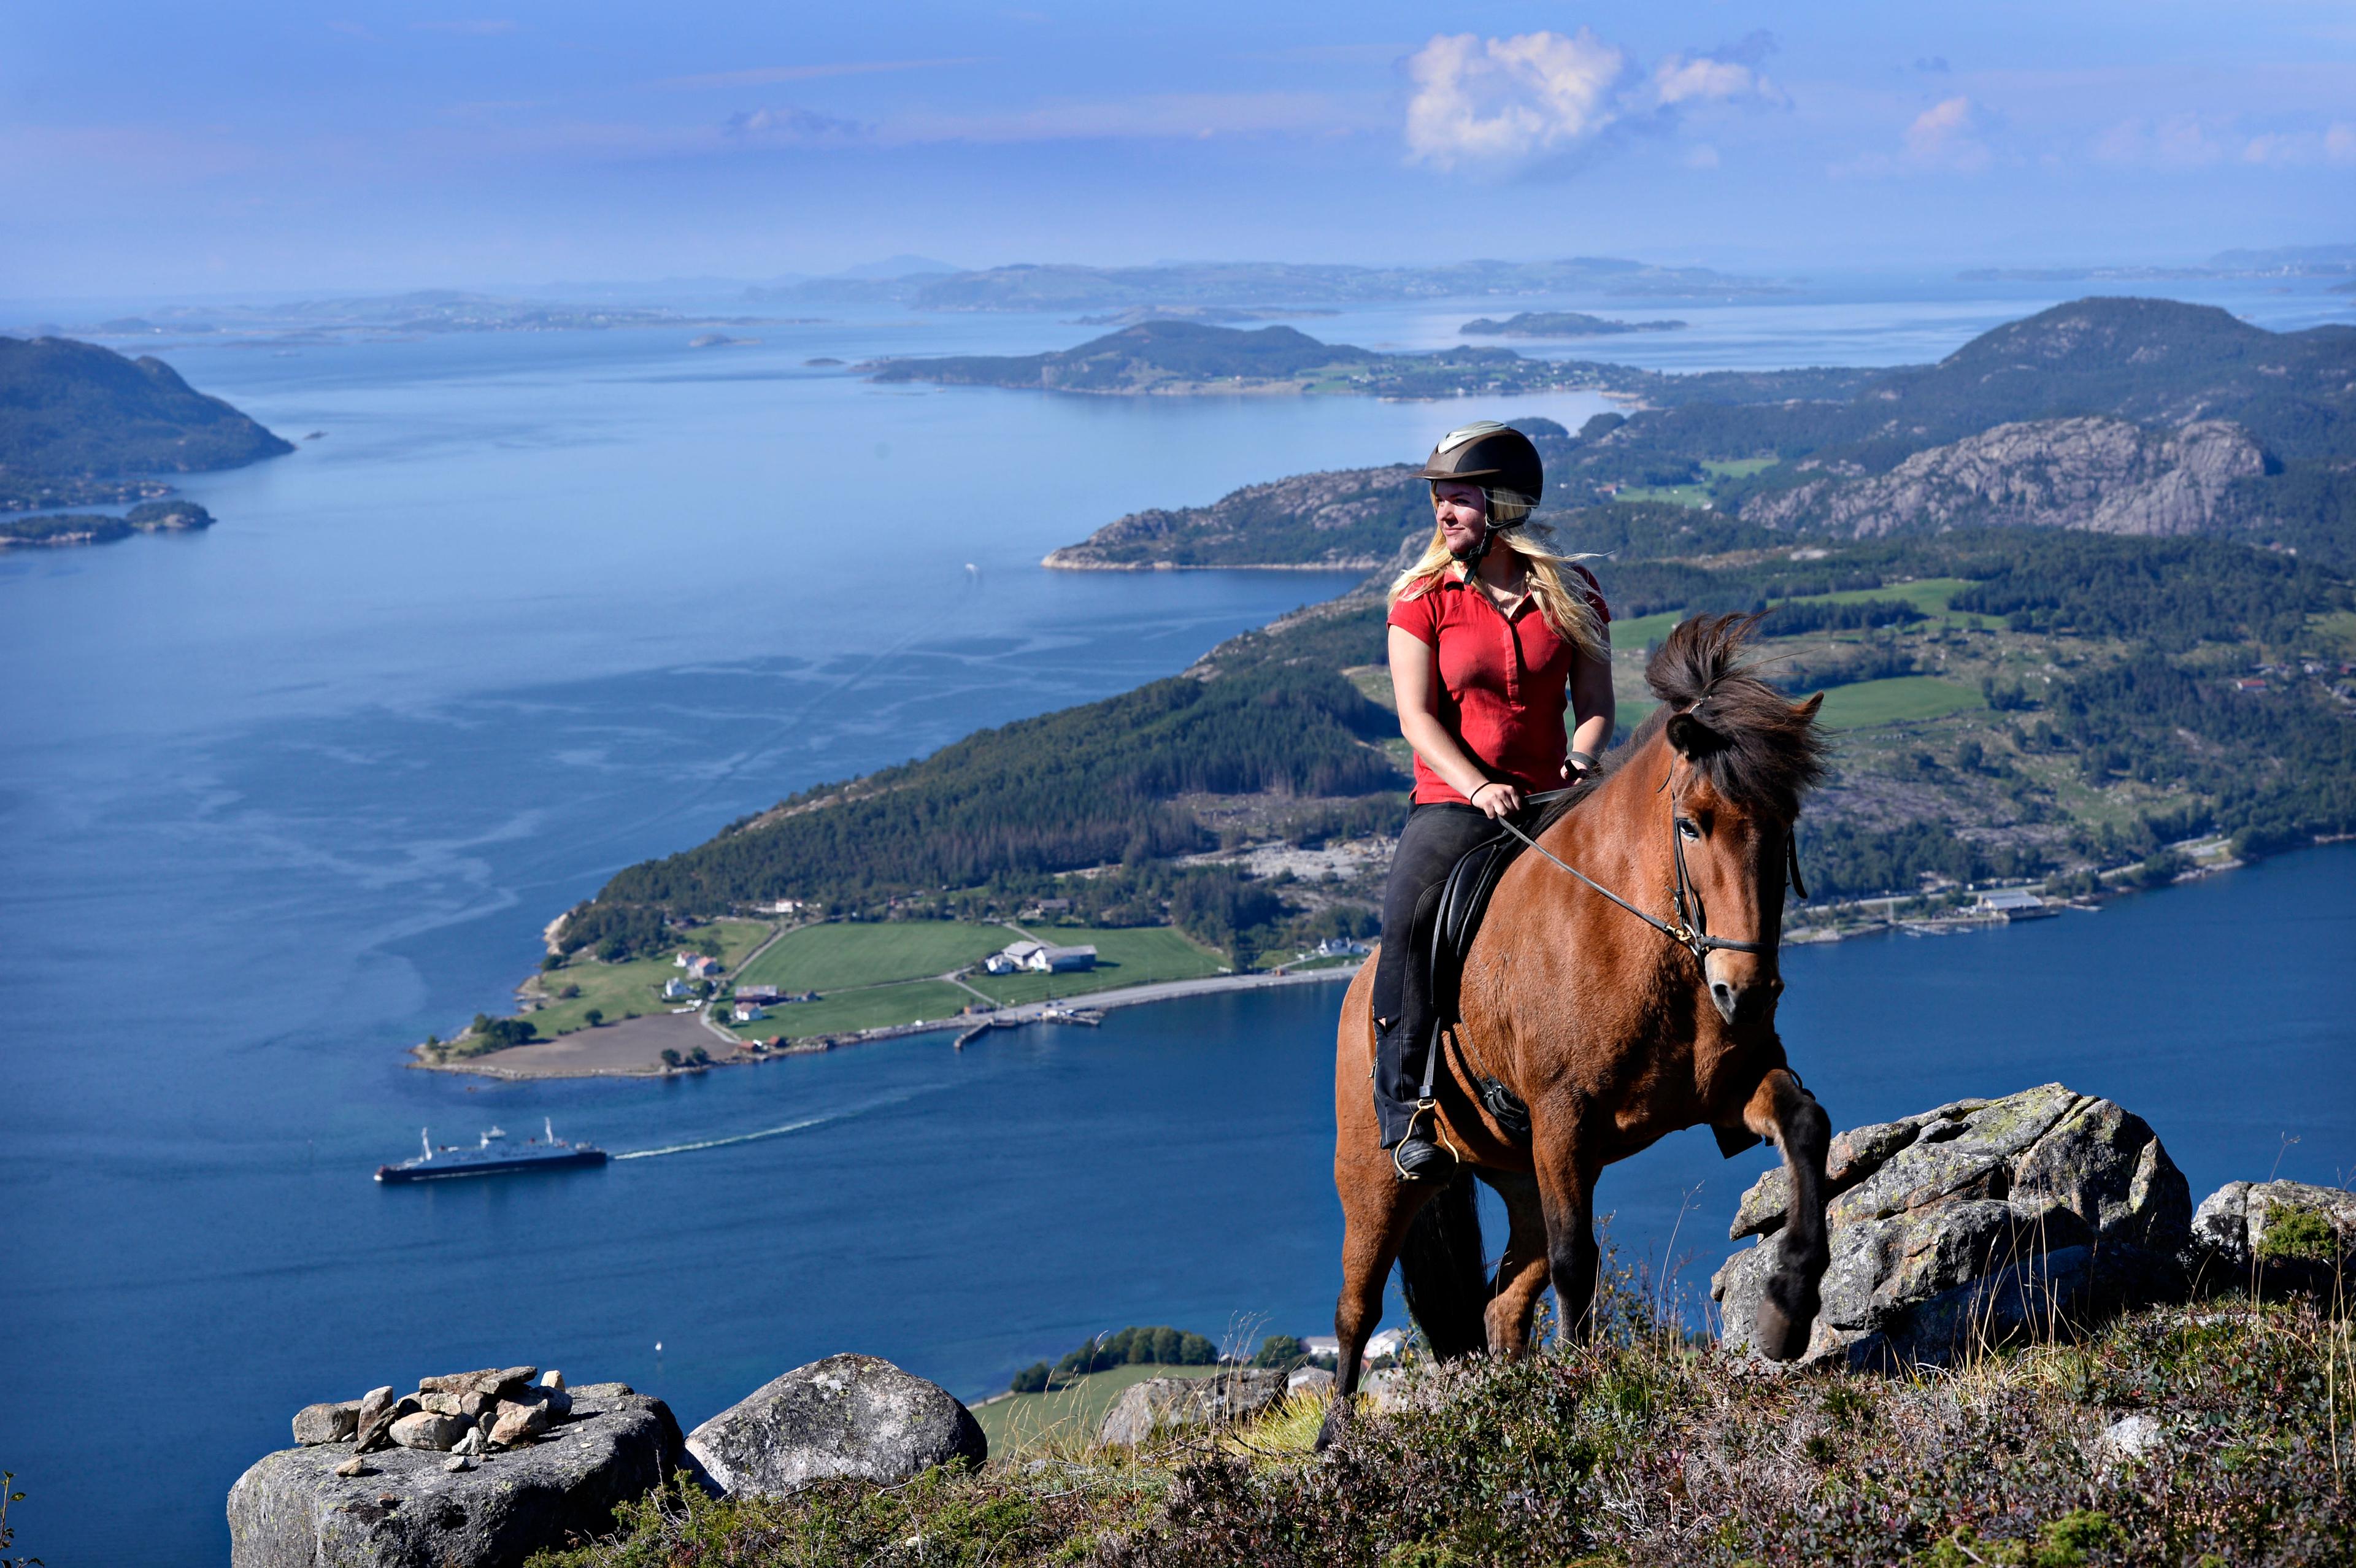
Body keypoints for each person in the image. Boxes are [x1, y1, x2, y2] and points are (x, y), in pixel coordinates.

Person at [1374, 420, 1615, 1181]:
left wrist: (1582, 757)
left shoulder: (1572, 590)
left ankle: (1712, 1065)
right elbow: (1416, 718)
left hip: (1553, 796)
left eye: (1459, 501)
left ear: (1504, 507)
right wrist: (1478, 785)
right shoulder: (1421, 598)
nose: (1443, 515)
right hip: (1454, 799)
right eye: (1439, 501)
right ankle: (1408, 1108)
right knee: (1409, 916)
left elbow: (1598, 702)